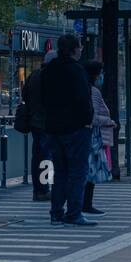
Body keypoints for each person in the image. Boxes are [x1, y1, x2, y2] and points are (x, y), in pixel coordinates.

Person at [41, 33, 95, 226]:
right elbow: (83, 100)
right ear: (73, 49)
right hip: (76, 128)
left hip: (54, 128)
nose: (81, 49)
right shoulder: (76, 70)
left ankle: (56, 212)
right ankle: (74, 212)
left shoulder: (49, 70)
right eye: (79, 46)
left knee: (61, 171)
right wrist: (87, 121)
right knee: (77, 171)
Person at [82, 60, 115, 215]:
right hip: (93, 137)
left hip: (88, 136)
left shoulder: (86, 88)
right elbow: (93, 117)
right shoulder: (93, 91)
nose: (102, 76)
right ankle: (85, 204)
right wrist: (109, 121)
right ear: (96, 74)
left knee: (87, 171)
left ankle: (84, 204)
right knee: (90, 172)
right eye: (101, 72)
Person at [23, 50, 56, 201]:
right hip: (46, 122)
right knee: (46, 157)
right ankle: (44, 189)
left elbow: (25, 96)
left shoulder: (33, 75)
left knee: (37, 156)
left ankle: (38, 189)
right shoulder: (50, 76)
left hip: (34, 121)